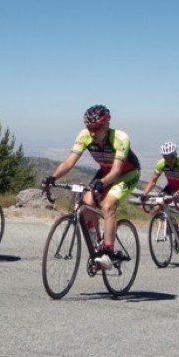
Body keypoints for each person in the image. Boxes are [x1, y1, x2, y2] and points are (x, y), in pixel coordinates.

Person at [42, 105, 141, 269]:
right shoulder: (85, 136)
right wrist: (53, 177)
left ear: (106, 125)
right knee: (86, 203)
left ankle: (108, 252)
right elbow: (69, 162)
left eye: (96, 128)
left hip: (127, 174)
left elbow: (116, 172)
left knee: (109, 205)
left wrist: (101, 183)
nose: (92, 133)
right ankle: (97, 243)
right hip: (104, 171)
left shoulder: (120, 138)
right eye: (89, 128)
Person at [140, 141, 179, 254]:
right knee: (156, 208)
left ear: (175, 155)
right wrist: (145, 193)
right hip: (171, 187)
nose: (169, 160)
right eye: (166, 157)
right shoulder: (161, 164)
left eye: (171, 157)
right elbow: (153, 180)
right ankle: (173, 227)